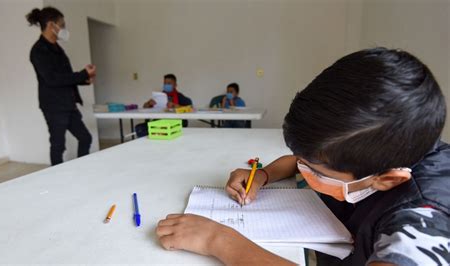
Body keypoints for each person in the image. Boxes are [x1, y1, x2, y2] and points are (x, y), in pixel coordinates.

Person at [155, 48, 450, 265]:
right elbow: (299, 162)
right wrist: (263, 174)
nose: (302, 169)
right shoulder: (384, 146)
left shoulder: (423, 223)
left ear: (386, 179)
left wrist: (218, 240)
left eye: (316, 172)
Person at [27, 7, 96, 165]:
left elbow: (65, 76)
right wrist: (83, 74)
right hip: (54, 106)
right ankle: (56, 180)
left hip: (68, 103)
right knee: (58, 146)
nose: (64, 29)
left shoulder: (58, 49)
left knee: (85, 138)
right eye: (62, 24)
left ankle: (81, 170)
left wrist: (85, 79)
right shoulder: (38, 51)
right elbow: (52, 79)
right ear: (51, 25)